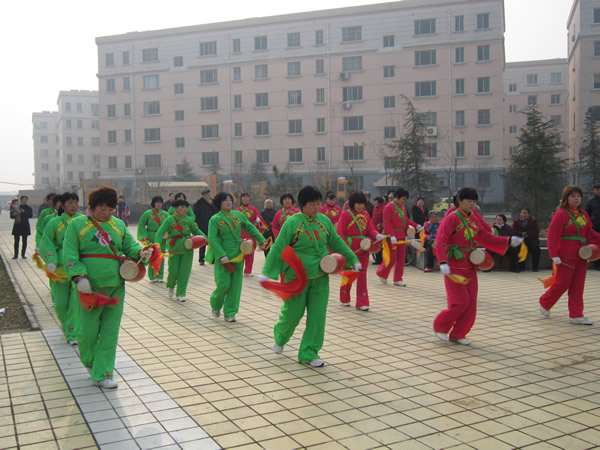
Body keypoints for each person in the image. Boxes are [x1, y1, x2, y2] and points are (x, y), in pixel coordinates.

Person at [63, 187, 152, 389]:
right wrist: (78, 276)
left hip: (115, 285)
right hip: (89, 288)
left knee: (110, 332)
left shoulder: (118, 225)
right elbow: (70, 252)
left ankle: (103, 372)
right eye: (102, 209)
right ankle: (90, 361)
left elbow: (130, 246)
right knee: (87, 332)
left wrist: (141, 253)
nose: (106, 213)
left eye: (110, 209)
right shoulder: (77, 224)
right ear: (92, 206)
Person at [261, 186, 360, 367]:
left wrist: (352, 259)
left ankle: (309, 352)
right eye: (312, 204)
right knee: (292, 314)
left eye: (318, 203)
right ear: (303, 204)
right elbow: (279, 246)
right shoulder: (292, 223)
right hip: (297, 277)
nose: (316, 207)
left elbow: (336, 241)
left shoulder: (324, 221)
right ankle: (281, 336)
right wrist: (267, 272)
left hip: (320, 275)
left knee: (317, 317)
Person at [434, 187, 522, 345]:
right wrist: (443, 261)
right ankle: (441, 326)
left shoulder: (473, 218)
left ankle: (459, 333)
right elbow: (441, 240)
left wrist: (508, 241)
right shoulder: (452, 218)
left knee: (471, 303)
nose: (472, 204)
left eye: (474, 201)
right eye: (468, 201)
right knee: (460, 302)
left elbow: (485, 237)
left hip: (470, 266)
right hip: (454, 267)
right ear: (460, 201)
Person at [539, 185, 600, 325]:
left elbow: (590, 233)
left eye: (578, 196)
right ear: (566, 198)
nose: (576, 198)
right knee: (563, 283)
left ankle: (576, 315)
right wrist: (553, 254)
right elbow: (552, 235)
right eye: (573, 196)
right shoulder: (561, 214)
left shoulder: (583, 214)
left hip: (582, 255)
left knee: (578, 286)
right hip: (565, 256)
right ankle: (545, 302)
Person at [207, 192, 266, 322]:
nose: (228, 202)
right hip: (223, 256)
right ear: (219, 203)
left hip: (238, 254)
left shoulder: (238, 215)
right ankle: (215, 303)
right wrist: (222, 255)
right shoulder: (215, 219)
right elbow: (212, 239)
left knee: (235, 286)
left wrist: (261, 239)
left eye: (230, 200)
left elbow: (250, 227)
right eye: (225, 200)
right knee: (223, 284)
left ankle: (230, 312)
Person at [40, 192, 83, 345]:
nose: (74, 205)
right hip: (60, 268)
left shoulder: (83, 221)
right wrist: (51, 259)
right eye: (70, 202)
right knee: (60, 304)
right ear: (62, 205)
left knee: (75, 302)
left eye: (76, 202)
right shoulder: (54, 223)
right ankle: (68, 325)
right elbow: (46, 241)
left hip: (78, 267)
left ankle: (72, 332)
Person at [337, 191, 384, 311]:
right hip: (350, 250)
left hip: (364, 249)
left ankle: (362, 302)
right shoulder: (345, 214)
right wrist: (346, 250)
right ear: (352, 203)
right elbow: (340, 233)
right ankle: (345, 297)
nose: (360, 206)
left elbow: (370, 229)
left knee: (362, 275)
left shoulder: (366, 214)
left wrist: (376, 235)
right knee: (349, 274)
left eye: (362, 203)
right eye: (358, 203)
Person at [155, 199, 205, 302]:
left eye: (186, 207)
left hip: (188, 247)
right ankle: (171, 285)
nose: (184, 209)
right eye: (181, 207)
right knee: (173, 271)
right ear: (176, 208)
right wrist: (157, 245)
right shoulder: (169, 219)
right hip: (174, 248)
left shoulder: (189, 220)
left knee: (185, 272)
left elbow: (196, 231)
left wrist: (206, 239)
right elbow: (160, 232)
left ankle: (181, 293)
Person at [376, 187, 421, 286]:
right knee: (391, 258)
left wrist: (416, 225)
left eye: (405, 199)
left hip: (401, 236)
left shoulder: (402, 207)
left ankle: (398, 279)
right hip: (392, 236)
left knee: (401, 259)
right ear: (397, 197)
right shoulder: (388, 207)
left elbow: (406, 221)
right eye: (403, 199)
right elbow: (387, 223)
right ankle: (382, 273)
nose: (404, 201)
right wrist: (392, 236)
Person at [137, 196, 168, 282]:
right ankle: (153, 276)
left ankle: (160, 276)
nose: (159, 204)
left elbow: (170, 225)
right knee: (152, 256)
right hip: (151, 237)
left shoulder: (165, 214)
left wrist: (168, 234)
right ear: (153, 203)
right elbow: (141, 224)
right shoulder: (147, 213)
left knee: (161, 256)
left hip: (162, 238)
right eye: (157, 202)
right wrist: (144, 236)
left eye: (161, 202)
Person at [236, 193, 264, 277]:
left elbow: (258, 216)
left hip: (251, 233)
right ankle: (238, 270)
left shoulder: (253, 209)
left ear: (249, 199)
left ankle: (248, 271)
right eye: (244, 197)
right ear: (241, 199)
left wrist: (258, 218)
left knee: (251, 253)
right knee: (242, 253)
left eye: (247, 197)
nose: (245, 199)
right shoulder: (237, 210)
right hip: (241, 234)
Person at [193, 189, 218, 265]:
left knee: (213, 241)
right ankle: (201, 259)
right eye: (206, 194)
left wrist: (212, 205)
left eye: (208, 194)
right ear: (203, 195)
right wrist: (197, 222)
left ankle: (213, 258)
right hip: (202, 225)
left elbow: (217, 211)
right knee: (203, 242)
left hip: (212, 225)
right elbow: (195, 214)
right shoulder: (198, 203)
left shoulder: (212, 202)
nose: (207, 196)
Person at [585, 183, 600, 270]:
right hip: (595, 227)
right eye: (597, 190)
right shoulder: (591, 201)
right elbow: (586, 214)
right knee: (596, 246)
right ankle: (597, 264)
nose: (598, 191)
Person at [371, 196, 385, 265]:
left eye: (376, 203)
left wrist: (382, 225)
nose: (375, 204)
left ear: (380, 203)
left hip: (381, 230)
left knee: (381, 246)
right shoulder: (374, 209)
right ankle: (378, 259)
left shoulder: (384, 208)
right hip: (375, 230)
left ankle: (381, 259)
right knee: (376, 245)